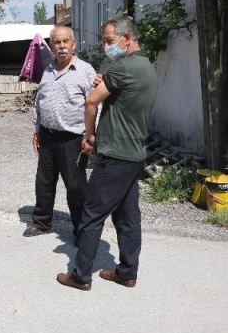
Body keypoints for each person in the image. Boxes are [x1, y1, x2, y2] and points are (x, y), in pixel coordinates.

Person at [57, 16, 158, 291]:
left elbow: (91, 101)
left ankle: (80, 275)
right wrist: (107, 82)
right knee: (127, 216)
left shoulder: (123, 67)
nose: (106, 46)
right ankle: (127, 272)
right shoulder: (146, 67)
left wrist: (89, 135)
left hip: (115, 153)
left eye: (109, 40)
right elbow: (125, 97)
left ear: (127, 38)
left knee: (91, 213)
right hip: (135, 153)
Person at [24, 26, 95, 241]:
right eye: (57, 42)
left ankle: (81, 231)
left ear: (74, 44)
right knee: (44, 182)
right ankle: (42, 223)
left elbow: (95, 106)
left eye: (65, 41)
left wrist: (90, 136)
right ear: (51, 46)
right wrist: (36, 131)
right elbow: (39, 103)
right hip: (47, 136)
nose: (62, 46)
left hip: (73, 139)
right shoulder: (47, 70)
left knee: (75, 187)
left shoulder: (85, 71)